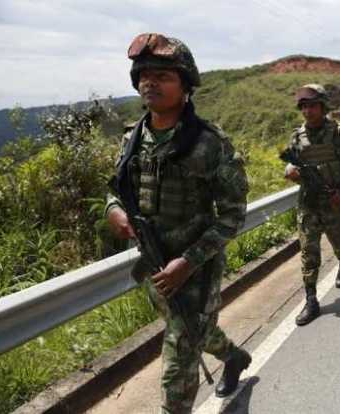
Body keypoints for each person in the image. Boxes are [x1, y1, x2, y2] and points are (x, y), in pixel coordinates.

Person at [105, 33, 251, 413]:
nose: (150, 82)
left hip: (195, 271)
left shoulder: (209, 143)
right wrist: (114, 212)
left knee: (177, 367)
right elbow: (115, 191)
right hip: (155, 267)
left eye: (163, 76)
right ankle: (233, 357)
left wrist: (188, 262)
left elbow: (234, 214)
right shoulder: (132, 140)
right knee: (190, 329)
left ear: (185, 86)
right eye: (144, 75)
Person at [284, 84, 340, 326]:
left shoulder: (339, 134)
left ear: (323, 106)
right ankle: (311, 300)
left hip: (334, 203)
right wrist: (290, 171)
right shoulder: (297, 137)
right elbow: (289, 163)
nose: (307, 111)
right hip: (308, 204)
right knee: (309, 253)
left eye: (312, 105)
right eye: (303, 107)